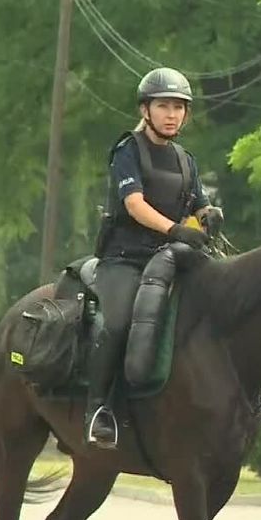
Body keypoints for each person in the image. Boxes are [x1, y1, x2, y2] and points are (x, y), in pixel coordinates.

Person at [86, 67, 215, 449]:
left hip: (173, 259)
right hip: (125, 259)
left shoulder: (185, 159)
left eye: (179, 107)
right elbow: (135, 205)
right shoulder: (128, 150)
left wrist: (210, 216)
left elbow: (201, 204)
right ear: (145, 110)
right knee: (119, 323)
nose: (172, 114)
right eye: (163, 106)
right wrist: (175, 230)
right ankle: (99, 409)